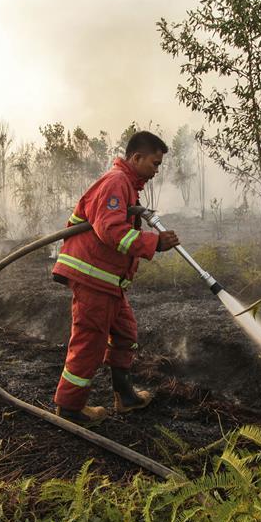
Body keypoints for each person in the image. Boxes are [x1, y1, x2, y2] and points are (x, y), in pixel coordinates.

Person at [51, 131, 180, 425]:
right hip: (92, 278)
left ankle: (125, 396)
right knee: (90, 341)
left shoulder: (127, 187)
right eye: (154, 163)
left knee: (125, 334)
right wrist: (154, 243)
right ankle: (70, 408)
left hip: (109, 282)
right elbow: (110, 231)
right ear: (136, 158)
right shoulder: (115, 182)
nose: (157, 170)